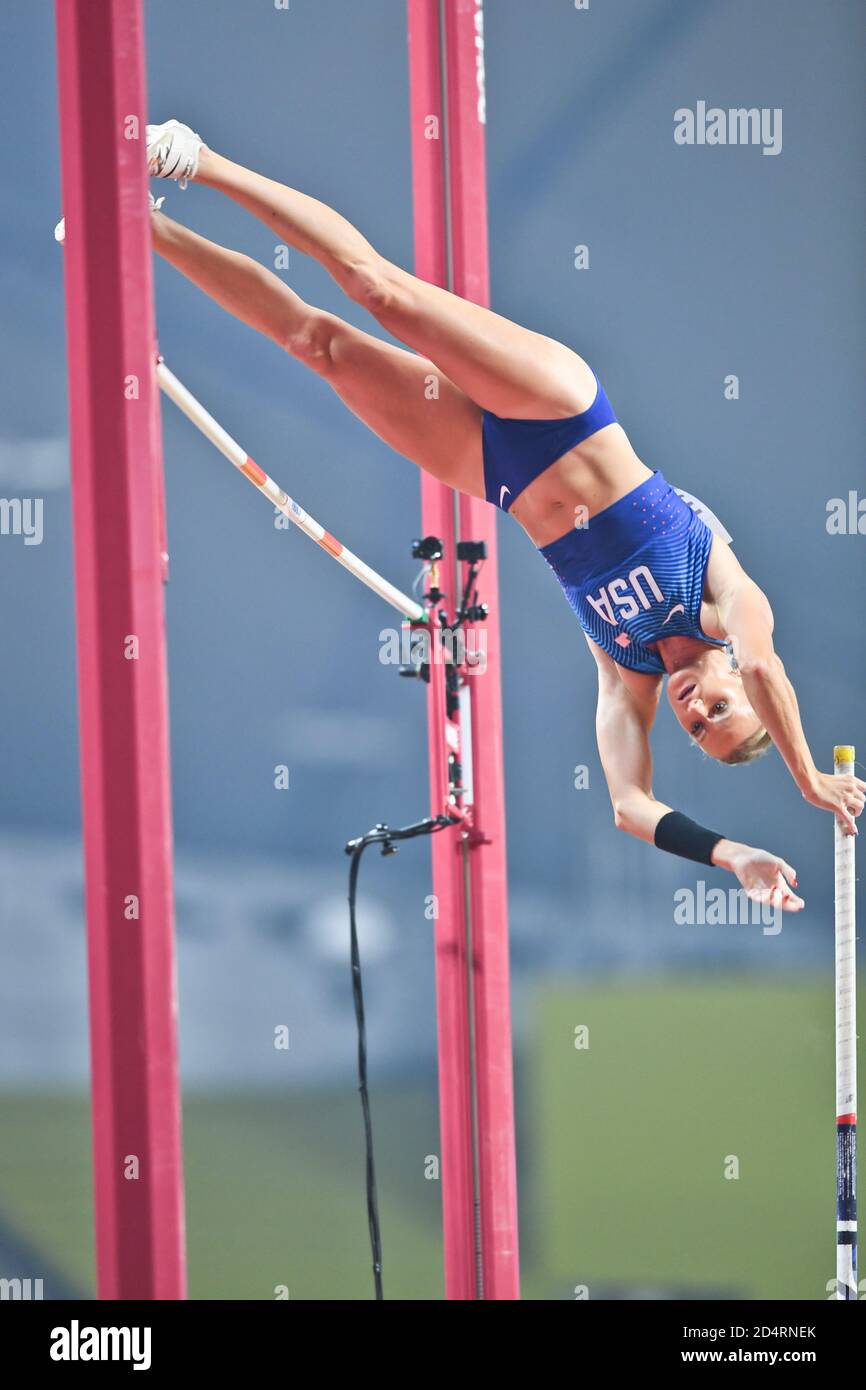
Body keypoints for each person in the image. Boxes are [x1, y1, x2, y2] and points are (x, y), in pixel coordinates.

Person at [143, 120, 864, 909]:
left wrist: (732, 857)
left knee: (318, 343)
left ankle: (140, 224)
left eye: (697, 729)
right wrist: (810, 781)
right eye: (719, 708)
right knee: (376, 289)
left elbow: (629, 807)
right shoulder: (731, 603)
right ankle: (197, 158)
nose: (695, 710)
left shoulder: (629, 678)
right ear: (735, 683)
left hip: (497, 474)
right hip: (562, 410)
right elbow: (767, 669)